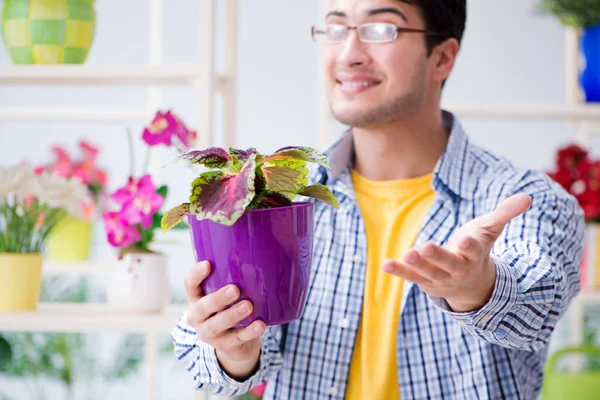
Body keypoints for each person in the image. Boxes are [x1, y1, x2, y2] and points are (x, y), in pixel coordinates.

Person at [172, 1, 585, 399]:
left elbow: (538, 304)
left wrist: (480, 287)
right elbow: (212, 362)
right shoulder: (282, 199)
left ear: (442, 57)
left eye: (380, 29)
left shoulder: (523, 201)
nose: (349, 54)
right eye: (336, 28)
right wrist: (233, 350)